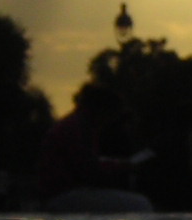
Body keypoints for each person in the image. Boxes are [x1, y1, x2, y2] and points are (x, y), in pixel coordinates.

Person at [38, 84, 153, 213]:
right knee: (141, 204)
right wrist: (121, 167)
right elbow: (88, 170)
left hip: (60, 194)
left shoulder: (74, 126)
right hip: (63, 196)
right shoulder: (78, 130)